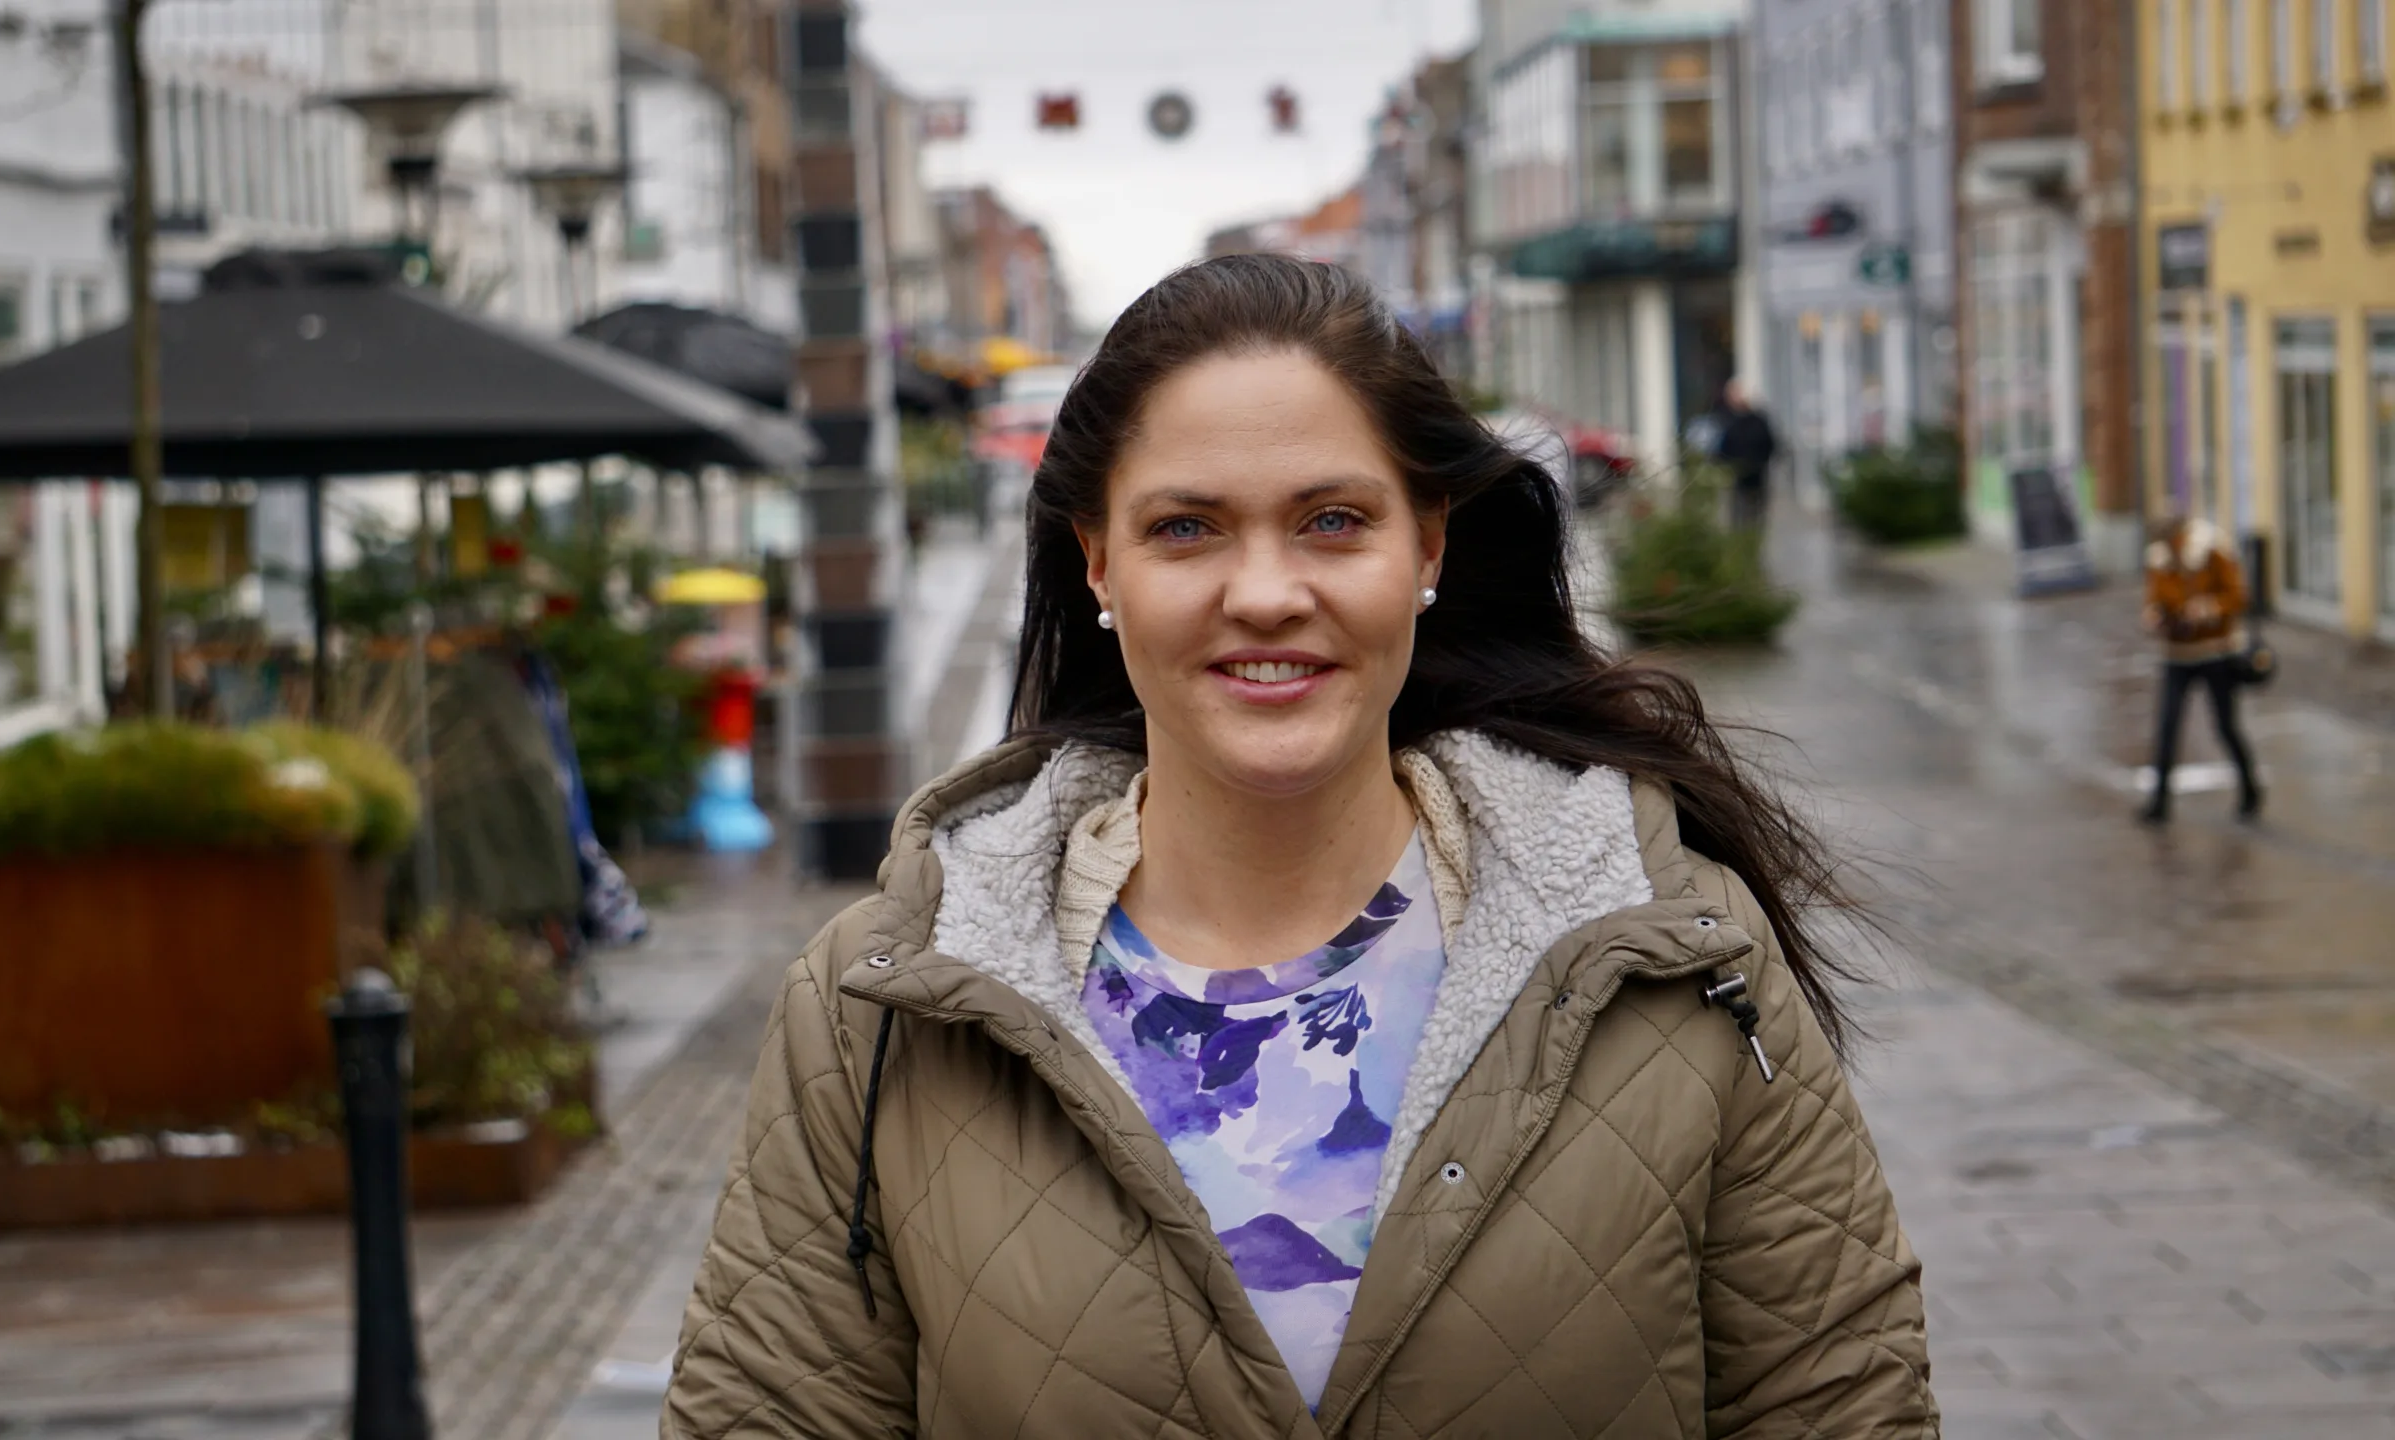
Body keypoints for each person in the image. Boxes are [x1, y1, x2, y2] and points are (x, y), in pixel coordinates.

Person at [664, 256, 1935, 1437]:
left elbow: (1842, 1404)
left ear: (1426, 545)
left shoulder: (1675, 955)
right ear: (1096, 564)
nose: (1266, 593)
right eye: (1186, 528)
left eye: (1331, 521)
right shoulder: (878, 1005)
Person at [2139, 516, 2262, 824]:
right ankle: (2159, 802)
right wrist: (2155, 615)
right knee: (2167, 727)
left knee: (2226, 726)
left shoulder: (2212, 551)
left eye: (2173, 542)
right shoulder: (2159, 560)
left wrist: (2206, 609)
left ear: (2183, 536)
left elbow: (2238, 596)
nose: (2170, 548)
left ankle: (2250, 790)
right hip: (2176, 655)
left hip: (2214, 653)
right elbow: (2155, 598)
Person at [1713, 378, 1779, 531]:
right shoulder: (1727, 419)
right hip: (1736, 476)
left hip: (1756, 476)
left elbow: (1770, 445)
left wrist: (1760, 462)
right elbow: (1722, 448)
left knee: (1755, 514)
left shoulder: (1757, 421)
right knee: (1738, 516)